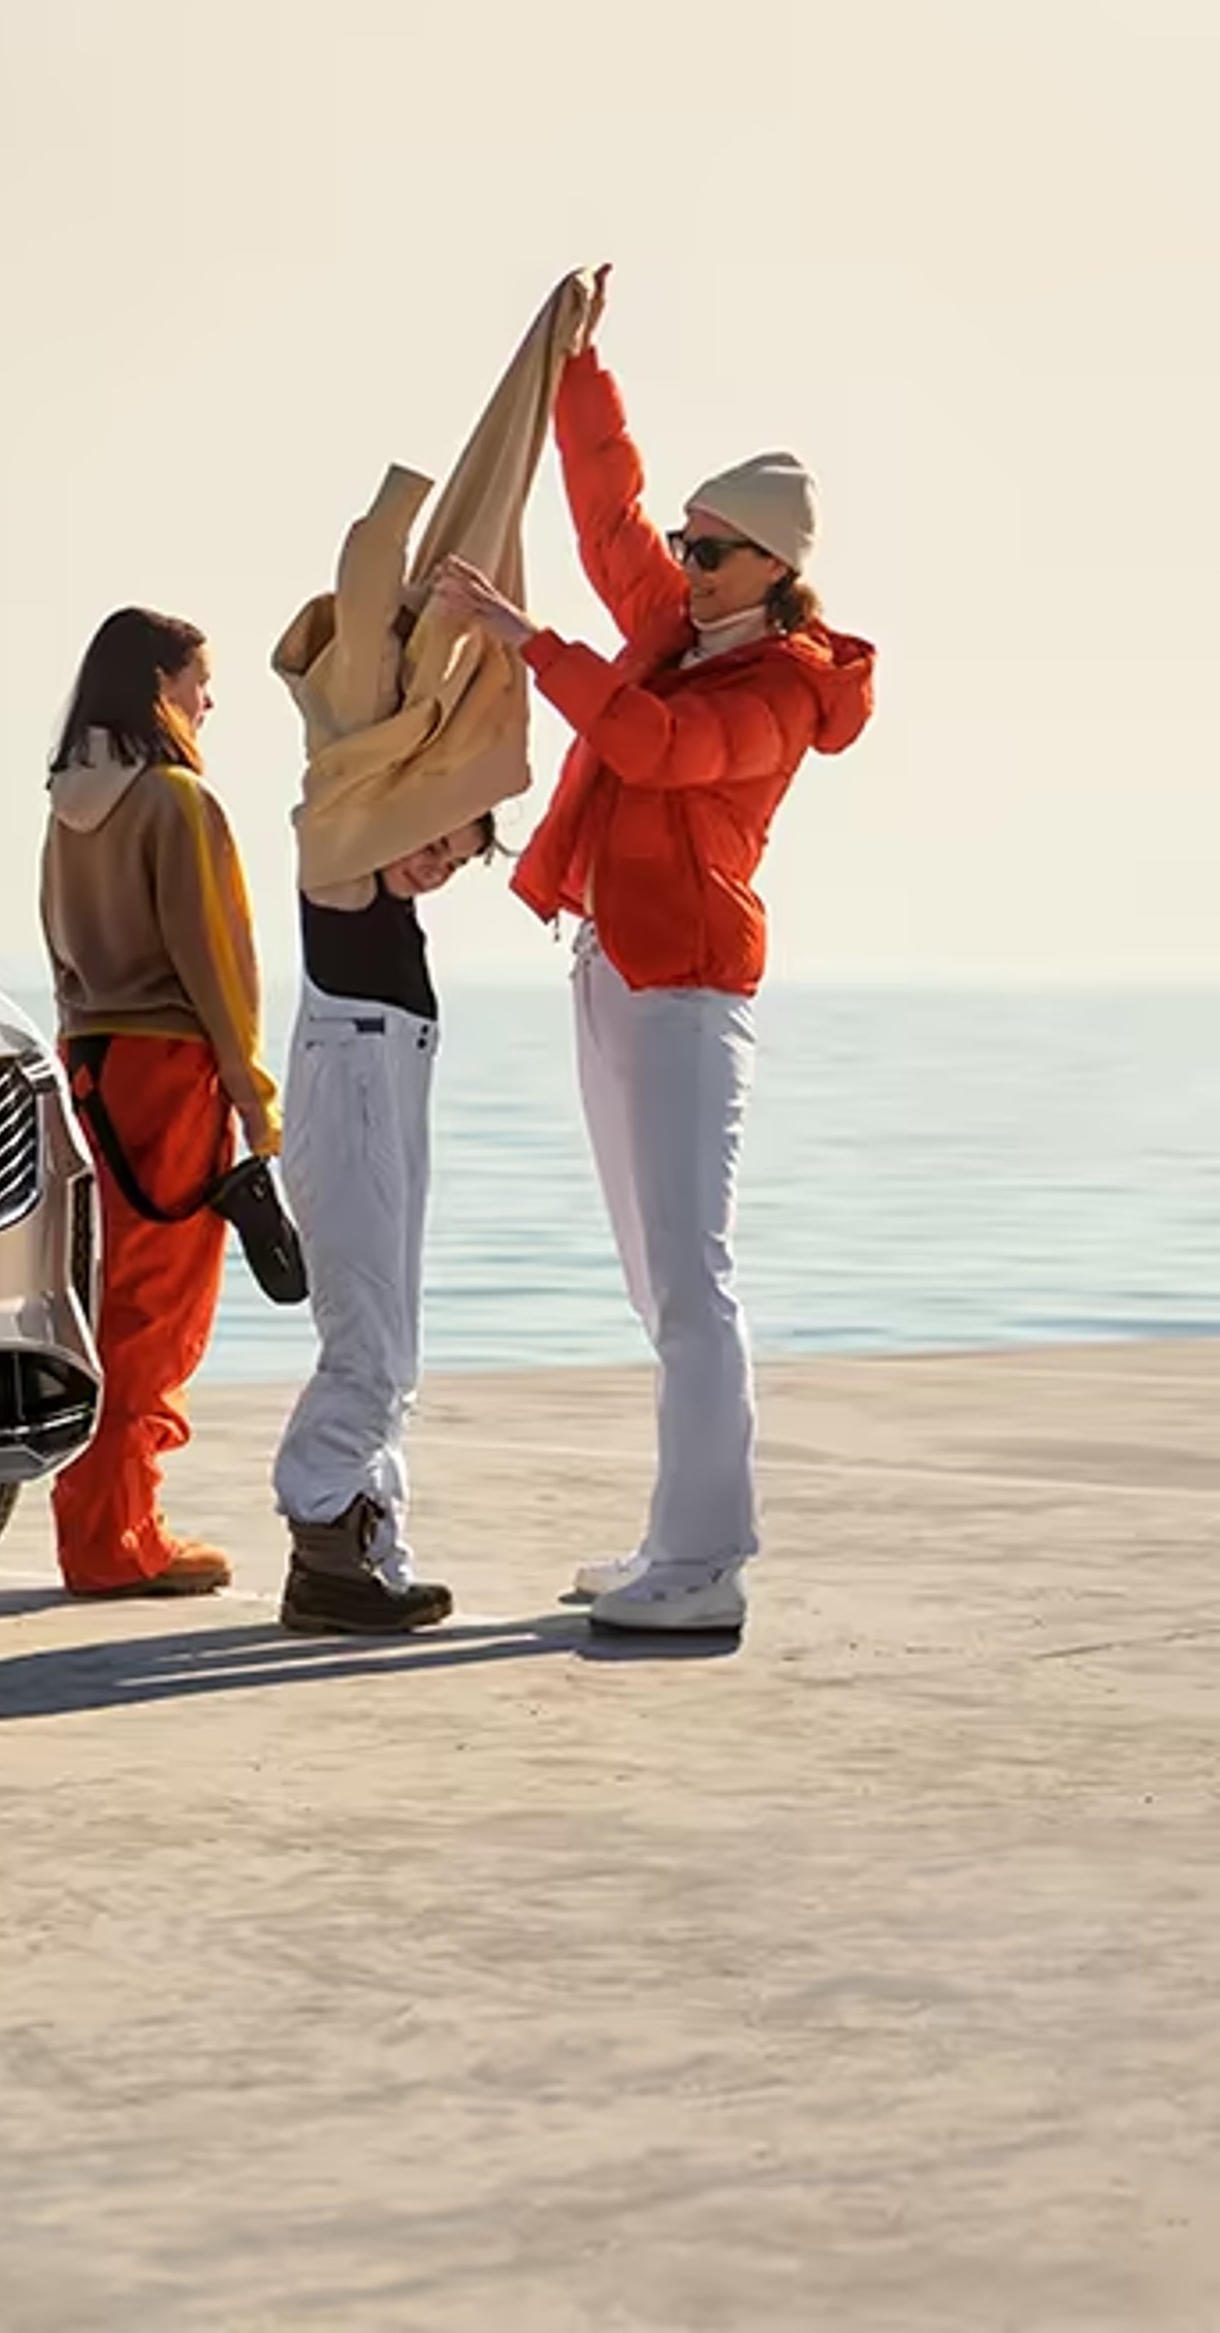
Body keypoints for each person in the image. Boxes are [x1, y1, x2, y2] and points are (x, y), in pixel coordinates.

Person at [433, 273, 872, 1642]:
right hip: (613, 964)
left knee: (692, 1275)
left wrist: (527, 641)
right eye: (685, 544)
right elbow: (605, 510)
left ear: (773, 568)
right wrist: (579, 367)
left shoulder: (785, 687)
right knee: (651, 1276)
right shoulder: (674, 629)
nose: (679, 564)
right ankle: (671, 1541)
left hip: (690, 989)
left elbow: (657, 751)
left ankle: (709, 1562)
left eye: (709, 550)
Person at [39, 608, 280, 1598]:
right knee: (162, 1312)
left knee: (99, 1302)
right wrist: (254, 1099)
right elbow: (220, 968)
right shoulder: (179, 802)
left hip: (86, 1060)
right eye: (195, 681)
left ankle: (95, 1521)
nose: (207, 700)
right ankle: (120, 1537)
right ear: (156, 688)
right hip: (170, 1073)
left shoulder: (66, 804)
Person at [270, 813, 496, 1635]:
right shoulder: (343, 872)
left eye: (456, 862)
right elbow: (336, 777)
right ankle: (326, 1538)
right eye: (434, 841)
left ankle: (368, 1545)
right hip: (349, 1116)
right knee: (365, 1341)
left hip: (388, 1111)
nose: (439, 866)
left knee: (394, 1348)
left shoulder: (394, 911)